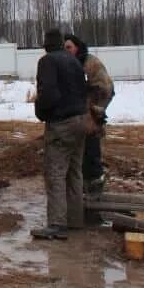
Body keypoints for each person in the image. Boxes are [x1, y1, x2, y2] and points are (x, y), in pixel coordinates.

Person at [31, 28, 88, 240]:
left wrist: (41, 111)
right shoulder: (72, 60)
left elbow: (49, 94)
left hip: (61, 123)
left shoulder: (47, 62)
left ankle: (56, 224)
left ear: (46, 44)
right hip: (81, 121)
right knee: (74, 171)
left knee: (55, 172)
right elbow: (83, 89)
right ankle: (74, 220)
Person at [64, 33, 114, 196]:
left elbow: (106, 88)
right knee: (76, 158)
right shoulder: (65, 64)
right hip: (73, 120)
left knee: (91, 155)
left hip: (90, 119)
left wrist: (96, 110)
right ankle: (80, 194)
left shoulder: (90, 63)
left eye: (69, 47)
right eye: (64, 48)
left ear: (77, 47)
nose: (66, 50)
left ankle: (95, 192)